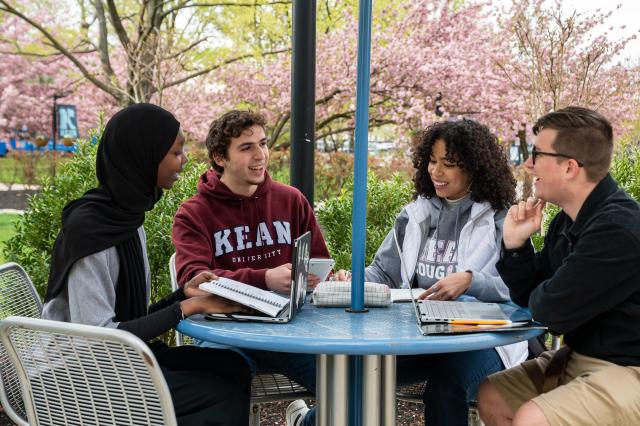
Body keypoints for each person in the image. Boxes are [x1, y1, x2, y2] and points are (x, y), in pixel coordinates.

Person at [290, 119, 529, 426]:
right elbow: (384, 272)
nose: (436, 172)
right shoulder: (415, 214)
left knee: (446, 387)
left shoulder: (501, 217)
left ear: (475, 167)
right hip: (420, 335)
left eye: (449, 164)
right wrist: (355, 281)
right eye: (431, 161)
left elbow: (520, 287)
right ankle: (307, 422)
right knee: (360, 378)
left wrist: (472, 280)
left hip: (483, 338)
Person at [42, 103, 252, 426]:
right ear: (143, 155)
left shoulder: (128, 217)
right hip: (77, 379)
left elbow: (130, 319)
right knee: (221, 398)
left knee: (233, 368)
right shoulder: (90, 233)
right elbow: (98, 338)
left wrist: (182, 294)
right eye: (175, 153)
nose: (183, 161)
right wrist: (189, 307)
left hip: (117, 358)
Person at [477, 107, 640, 425]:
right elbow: (529, 297)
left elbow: (549, 312)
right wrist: (516, 244)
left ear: (569, 167)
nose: (527, 163)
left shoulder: (618, 230)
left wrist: (543, 296)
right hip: (578, 358)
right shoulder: (569, 219)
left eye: (537, 154)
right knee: (493, 397)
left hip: (627, 369)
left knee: (531, 418)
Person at [171, 109, 331, 425]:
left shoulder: (291, 200)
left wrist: (321, 277)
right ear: (220, 157)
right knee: (217, 399)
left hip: (291, 329)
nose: (260, 155)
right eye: (246, 148)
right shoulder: (193, 214)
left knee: (351, 390)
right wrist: (265, 279)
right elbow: (193, 282)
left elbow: (316, 261)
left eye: (263, 143)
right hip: (224, 333)